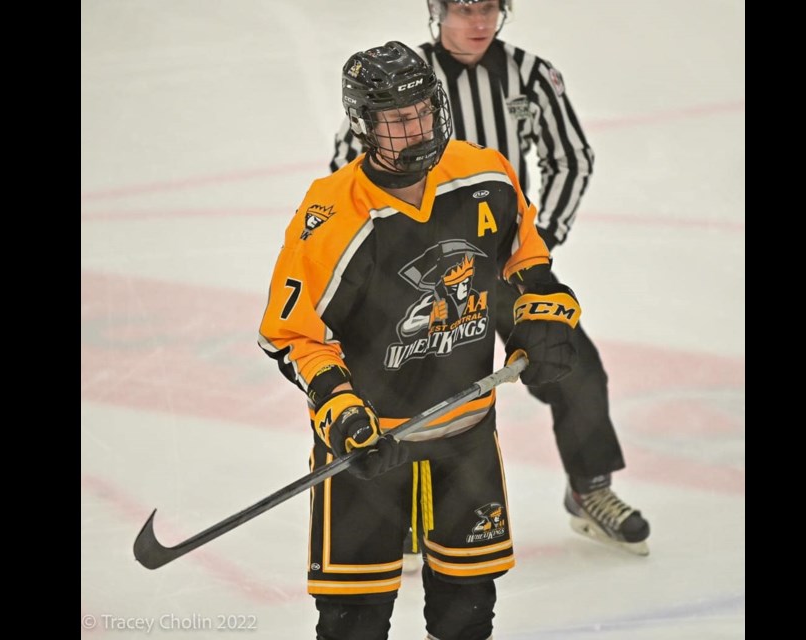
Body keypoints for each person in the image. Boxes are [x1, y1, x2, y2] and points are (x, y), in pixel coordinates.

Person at [260, 40, 583, 640]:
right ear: (363, 125)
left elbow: (524, 258)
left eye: (422, 111)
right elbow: (293, 335)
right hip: (369, 449)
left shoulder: (484, 173)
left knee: (467, 620)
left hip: (466, 437)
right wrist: (341, 410)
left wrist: (542, 317)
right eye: (395, 119)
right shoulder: (332, 215)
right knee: (352, 624)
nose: (414, 128)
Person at [331, 0, 650, 557]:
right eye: (464, 8)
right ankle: (404, 510)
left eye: (490, 9)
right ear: (437, 9)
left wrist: (538, 240)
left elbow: (571, 158)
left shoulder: (529, 75)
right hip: (417, 275)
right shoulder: (401, 83)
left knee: (572, 364)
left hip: (500, 262)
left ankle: (591, 489)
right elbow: (345, 166)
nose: (478, 23)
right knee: (407, 384)